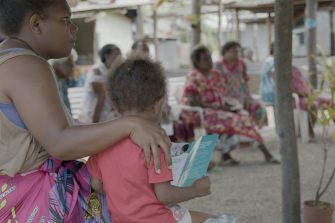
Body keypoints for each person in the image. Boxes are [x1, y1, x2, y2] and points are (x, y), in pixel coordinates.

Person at [0, 0, 171, 222]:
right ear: (36, 23)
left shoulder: (7, 60)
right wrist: (131, 124)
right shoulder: (27, 65)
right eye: (65, 20)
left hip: (13, 197)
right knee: (142, 209)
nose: (74, 28)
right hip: (39, 199)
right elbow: (60, 142)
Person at [87, 54, 238, 223]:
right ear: (159, 103)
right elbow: (165, 195)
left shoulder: (103, 142)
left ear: (114, 105)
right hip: (160, 219)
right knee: (222, 220)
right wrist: (195, 189)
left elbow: (96, 184)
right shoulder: (154, 142)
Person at [181, 45, 279, 165]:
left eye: (210, 58)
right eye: (206, 59)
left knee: (243, 114)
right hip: (199, 113)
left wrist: (230, 106)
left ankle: (226, 155)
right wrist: (218, 107)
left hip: (218, 110)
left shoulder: (215, 74)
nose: (210, 61)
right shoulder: (194, 76)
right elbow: (192, 101)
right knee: (237, 119)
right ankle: (266, 154)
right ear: (197, 62)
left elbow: (222, 94)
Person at [215, 41, 266, 128]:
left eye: (238, 51)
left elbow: (245, 82)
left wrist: (247, 97)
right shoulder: (218, 66)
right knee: (239, 113)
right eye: (234, 51)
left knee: (259, 108)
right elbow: (215, 85)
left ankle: (253, 131)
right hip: (225, 98)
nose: (237, 53)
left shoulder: (241, 64)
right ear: (225, 52)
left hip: (241, 96)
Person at [80, 44, 121, 123]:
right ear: (106, 56)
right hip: (94, 116)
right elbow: (100, 98)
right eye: (116, 55)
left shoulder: (110, 71)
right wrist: (94, 123)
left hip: (104, 116)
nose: (119, 58)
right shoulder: (98, 70)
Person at [49, 49, 77, 113]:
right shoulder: (48, 83)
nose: (73, 66)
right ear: (58, 65)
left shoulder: (62, 81)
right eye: (70, 63)